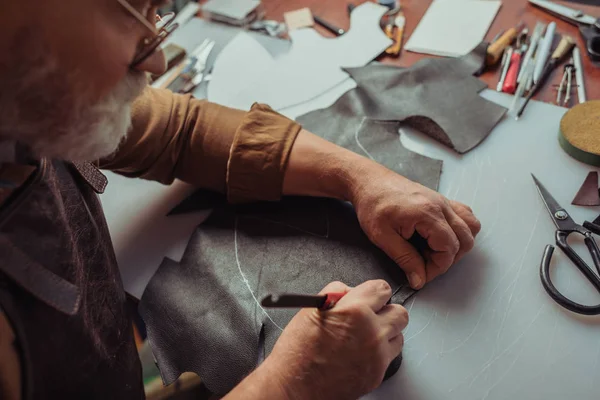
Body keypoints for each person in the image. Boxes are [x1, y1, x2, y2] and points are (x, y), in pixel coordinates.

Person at [0, 1, 481, 399]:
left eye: (155, 15)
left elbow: (177, 130)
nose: (158, 64)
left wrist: (360, 177)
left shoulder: (26, 98)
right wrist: (290, 384)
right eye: (136, 40)